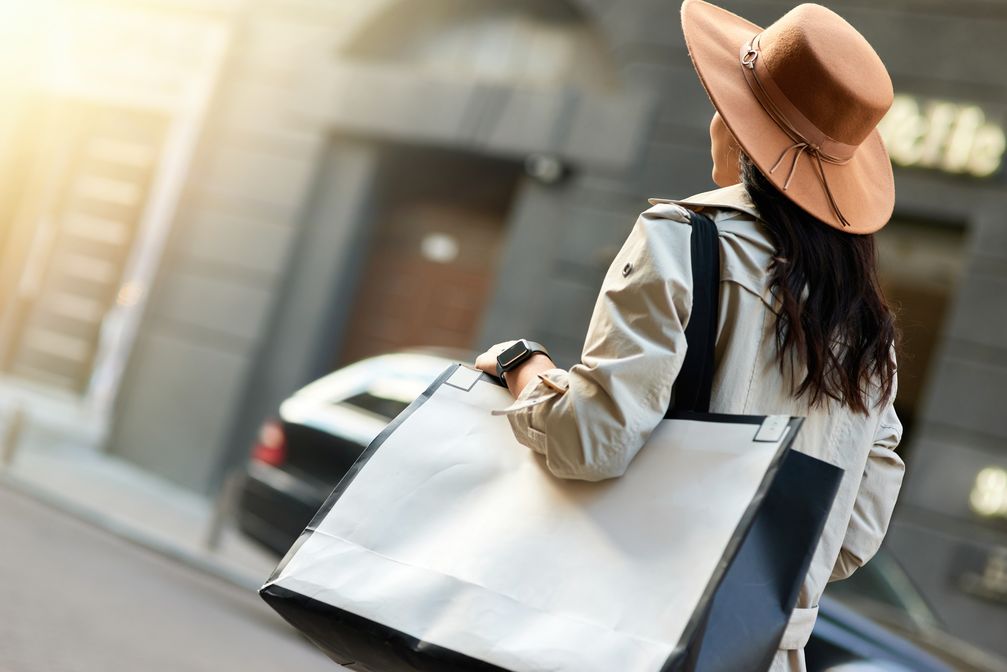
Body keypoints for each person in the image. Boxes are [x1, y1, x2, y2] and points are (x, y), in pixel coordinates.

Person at [474, 1, 905, 670]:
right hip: (754, 653)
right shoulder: (868, 324)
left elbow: (594, 440)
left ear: (741, 128)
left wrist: (522, 369)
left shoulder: (684, 240)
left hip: (626, 633)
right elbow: (851, 534)